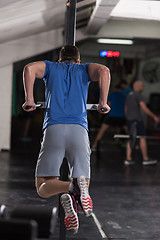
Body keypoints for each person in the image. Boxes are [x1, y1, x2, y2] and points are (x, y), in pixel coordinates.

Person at [22, 45, 111, 234]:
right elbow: (104, 70)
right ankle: (76, 190)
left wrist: (29, 99)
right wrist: (103, 102)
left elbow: (29, 69)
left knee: (43, 186)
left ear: (60, 60)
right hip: (78, 130)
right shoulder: (84, 69)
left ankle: (70, 187)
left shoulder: (51, 68)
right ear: (78, 60)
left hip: (54, 129)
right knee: (84, 182)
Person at [124, 80, 160, 166]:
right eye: (142, 86)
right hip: (136, 120)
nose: (143, 87)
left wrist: (128, 118)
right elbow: (145, 108)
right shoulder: (138, 95)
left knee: (132, 138)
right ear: (138, 86)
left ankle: (128, 159)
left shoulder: (129, 95)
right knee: (142, 137)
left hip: (130, 120)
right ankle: (145, 159)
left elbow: (125, 109)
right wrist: (154, 116)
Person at [92, 84, 127, 149]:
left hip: (112, 116)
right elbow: (125, 108)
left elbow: (108, 105)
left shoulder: (112, 95)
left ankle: (94, 145)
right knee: (128, 132)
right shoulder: (124, 96)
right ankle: (135, 145)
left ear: (116, 89)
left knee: (101, 131)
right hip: (121, 116)